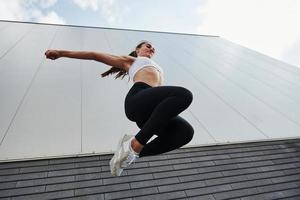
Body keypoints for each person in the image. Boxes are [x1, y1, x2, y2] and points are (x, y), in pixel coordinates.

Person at [45, 41, 194, 176]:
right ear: (137, 50)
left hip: (151, 115)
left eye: (153, 47)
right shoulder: (133, 61)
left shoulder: (159, 69)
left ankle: (129, 154)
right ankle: (135, 144)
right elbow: (94, 55)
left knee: (185, 133)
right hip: (137, 101)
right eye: (148, 45)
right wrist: (61, 53)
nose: (151, 48)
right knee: (184, 95)